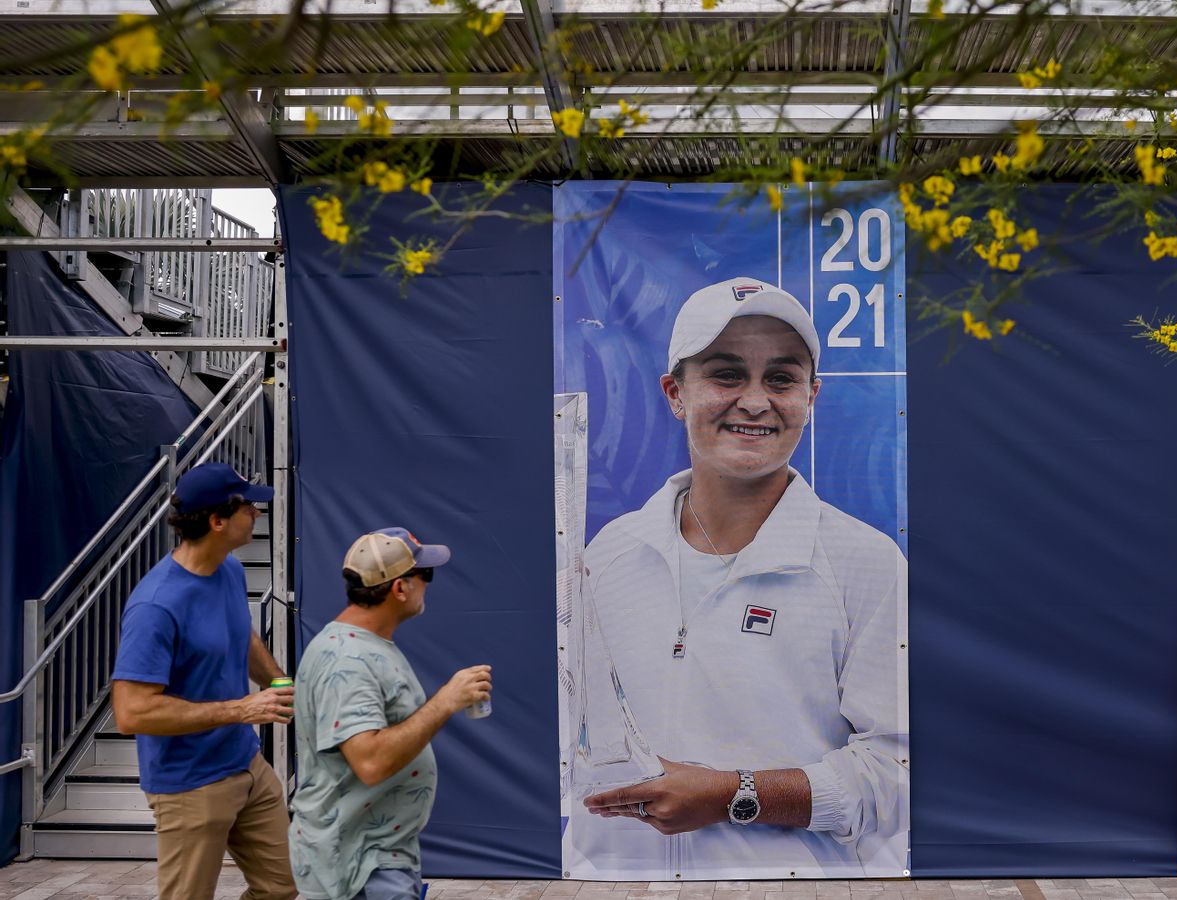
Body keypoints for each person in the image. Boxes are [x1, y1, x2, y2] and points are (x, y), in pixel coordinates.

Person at [571, 276, 908, 879]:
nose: (755, 401)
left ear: (812, 397)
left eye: (781, 378)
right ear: (675, 393)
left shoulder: (867, 561)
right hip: (614, 883)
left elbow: (896, 776)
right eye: (726, 374)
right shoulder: (609, 553)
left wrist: (735, 794)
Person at [110, 461, 297, 900]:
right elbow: (131, 712)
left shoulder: (228, 570)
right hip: (191, 784)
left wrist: (279, 685)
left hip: (247, 765)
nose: (258, 512)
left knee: (280, 889)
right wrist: (242, 709)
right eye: (249, 506)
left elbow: (242, 635)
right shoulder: (156, 606)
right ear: (217, 521)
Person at [289, 527, 492, 900]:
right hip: (361, 865)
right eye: (424, 575)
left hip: (372, 856)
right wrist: (445, 701)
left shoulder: (362, 645)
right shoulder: (349, 662)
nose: (429, 584)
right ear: (400, 588)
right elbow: (370, 762)